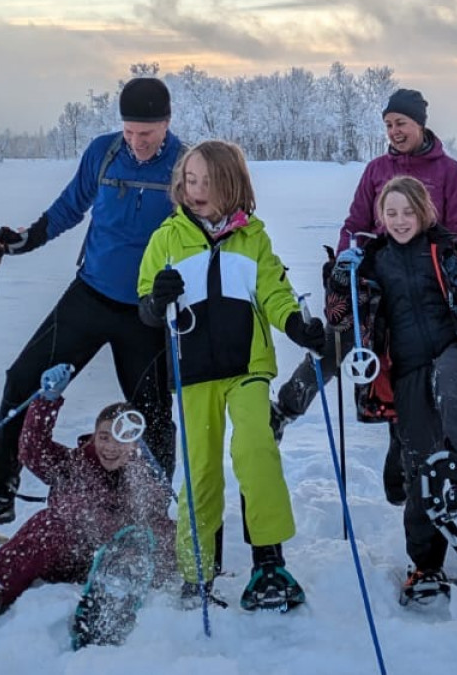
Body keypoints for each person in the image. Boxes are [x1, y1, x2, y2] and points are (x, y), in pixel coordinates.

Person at [0, 77, 181, 532]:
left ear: (166, 123)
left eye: (145, 133)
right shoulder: (104, 153)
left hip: (146, 313)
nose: (136, 142)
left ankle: (152, 514)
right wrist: (26, 239)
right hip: (90, 295)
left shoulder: (185, 166)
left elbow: (201, 233)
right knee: (21, 379)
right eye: (129, 131)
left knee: (153, 414)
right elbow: (71, 207)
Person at [136, 139, 327, 613]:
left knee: (254, 449)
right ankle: (196, 570)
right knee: (199, 468)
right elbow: (146, 305)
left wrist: (298, 326)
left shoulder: (253, 239)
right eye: (190, 180)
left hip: (247, 367)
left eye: (208, 182)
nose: (196, 191)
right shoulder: (167, 238)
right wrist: (158, 299)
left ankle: (269, 560)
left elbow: (275, 293)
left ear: (232, 186)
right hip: (195, 371)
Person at [268, 88, 457, 507]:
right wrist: (348, 256)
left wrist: (450, 261)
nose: (394, 131)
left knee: (408, 370)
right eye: (388, 125)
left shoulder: (450, 172)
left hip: (426, 287)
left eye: (401, 123)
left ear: (420, 123)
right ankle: (288, 405)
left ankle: (406, 457)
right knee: (339, 339)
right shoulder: (377, 170)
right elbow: (355, 222)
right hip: (377, 278)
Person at [343, 176, 457, 608]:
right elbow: (340, 314)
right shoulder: (372, 260)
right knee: (421, 462)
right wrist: (338, 276)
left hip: (450, 349)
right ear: (380, 217)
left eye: (408, 211)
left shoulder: (446, 247)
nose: (400, 220)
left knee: (454, 398)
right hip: (403, 369)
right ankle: (425, 564)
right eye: (391, 212)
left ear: (424, 212)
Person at [0, 364, 175, 629]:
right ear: (93, 436)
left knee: (151, 537)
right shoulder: (73, 464)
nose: (111, 448)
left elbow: (157, 525)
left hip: (112, 563)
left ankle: (110, 604)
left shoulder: (143, 478)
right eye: (104, 437)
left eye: (121, 439)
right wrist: (47, 402)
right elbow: (33, 450)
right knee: (47, 524)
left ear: (135, 443)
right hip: (63, 554)